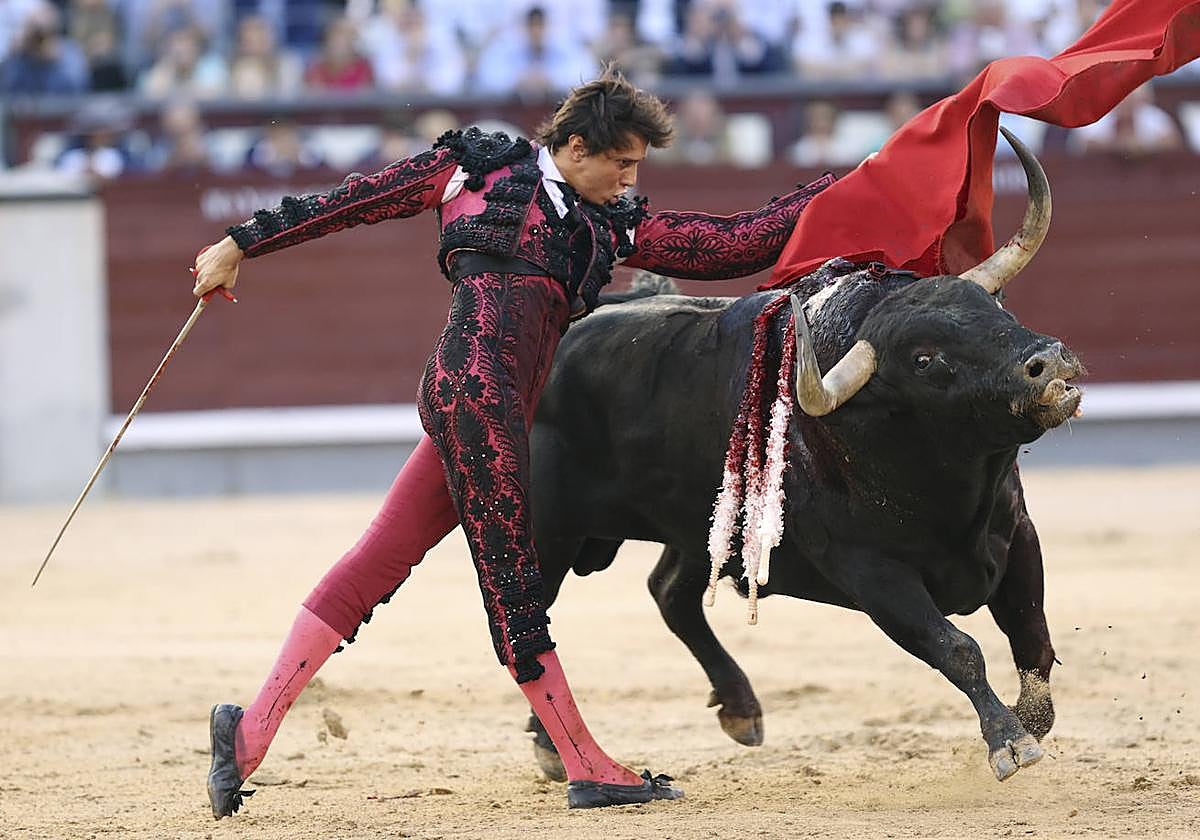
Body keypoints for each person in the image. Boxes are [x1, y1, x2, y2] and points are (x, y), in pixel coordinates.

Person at [191, 66, 834, 818]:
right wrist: (242, 241)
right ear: (572, 146)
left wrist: (840, 190)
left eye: (636, 168)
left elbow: (730, 245)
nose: (630, 181)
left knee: (379, 558)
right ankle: (586, 765)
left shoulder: (608, 222)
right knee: (516, 594)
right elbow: (354, 201)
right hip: (482, 408)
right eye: (620, 164)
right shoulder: (480, 169)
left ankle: (248, 734)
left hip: (485, 410)